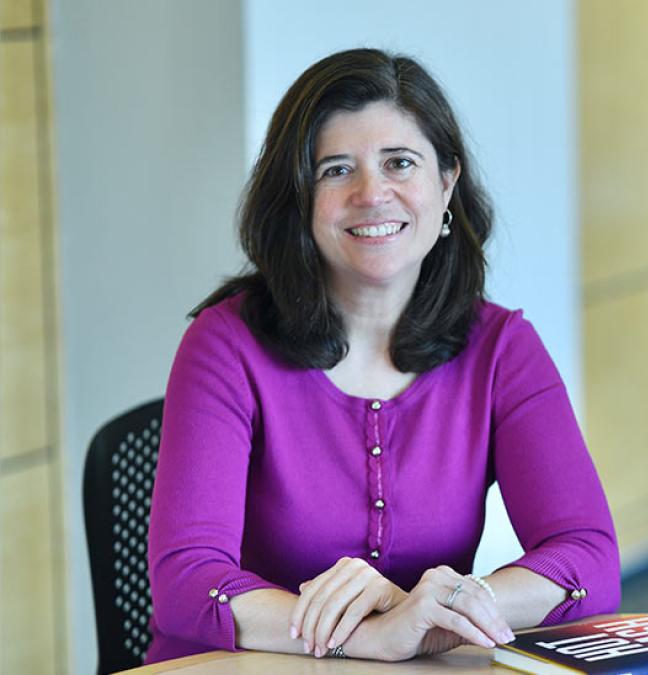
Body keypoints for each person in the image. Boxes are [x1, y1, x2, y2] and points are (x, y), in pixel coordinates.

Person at [146, 48, 620, 664]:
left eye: (400, 163)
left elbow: (589, 560)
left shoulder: (501, 348)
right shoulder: (226, 343)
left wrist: (443, 608)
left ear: (446, 181)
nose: (373, 194)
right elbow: (185, 579)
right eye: (336, 170)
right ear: (300, 197)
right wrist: (364, 635)